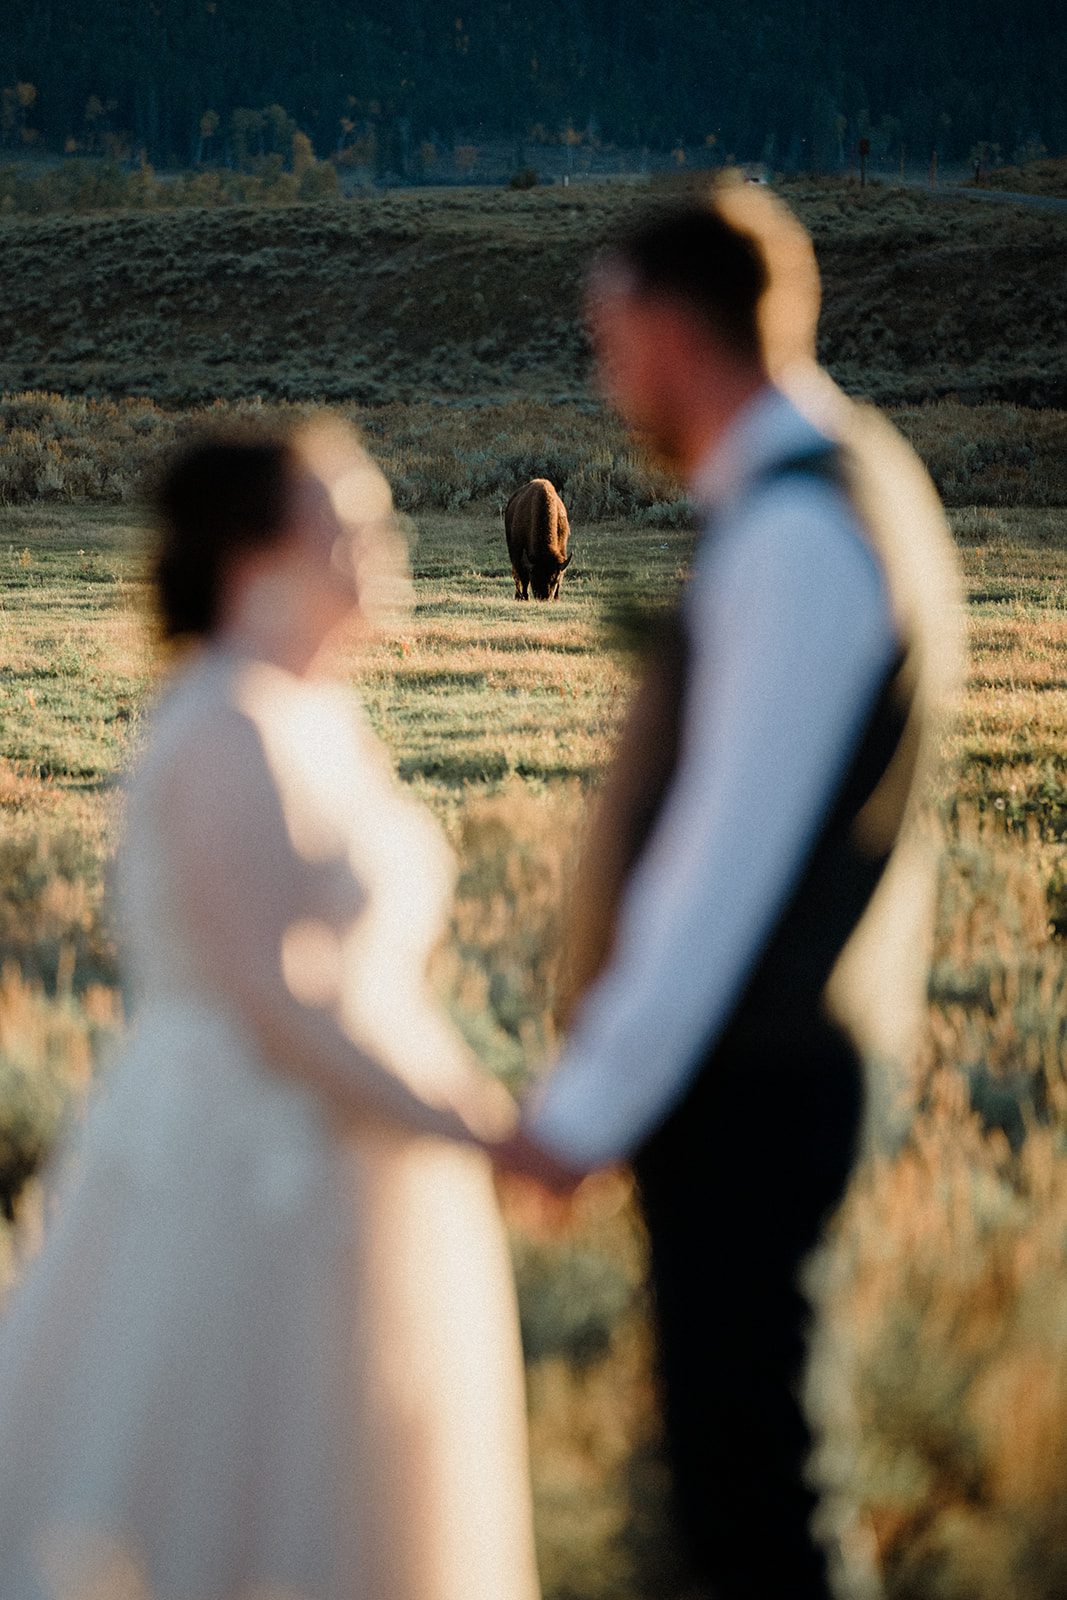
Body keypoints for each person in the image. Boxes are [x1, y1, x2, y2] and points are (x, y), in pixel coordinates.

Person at [489, 181, 961, 1598]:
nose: (600, 369)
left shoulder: (798, 536)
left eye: (606, 334)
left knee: (751, 1501)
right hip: (769, 1067)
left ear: (672, 329)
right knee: (729, 1483)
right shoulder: (843, 484)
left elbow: (721, 866)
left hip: (749, 1079)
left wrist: (582, 1107)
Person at [0, 418, 540, 1600]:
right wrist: (473, 1124)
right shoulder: (221, 726)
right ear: (261, 555)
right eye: (349, 520)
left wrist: (450, 1110)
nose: (383, 540)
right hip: (241, 1164)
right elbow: (276, 996)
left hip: (355, 1153)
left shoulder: (312, 716)